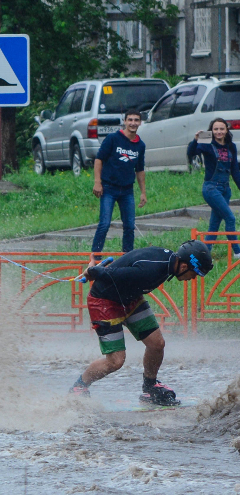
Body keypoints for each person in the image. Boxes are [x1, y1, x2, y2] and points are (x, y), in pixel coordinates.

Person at [69, 240, 212, 405]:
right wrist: (94, 271)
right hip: (105, 302)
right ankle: (79, 387)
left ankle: (150, 388)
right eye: (194, 273)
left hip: (129, 298)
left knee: (157, 344)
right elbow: (112, 274)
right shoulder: (152, 269)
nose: (193, 278)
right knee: (115, 361)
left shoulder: (169, 263)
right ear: (184, 266)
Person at [91, 109, 147, 257]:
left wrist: (143, 192)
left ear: (140, 123)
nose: (133, 123)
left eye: (136, 120)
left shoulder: (140, 145)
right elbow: (99, 160)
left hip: (127, 190)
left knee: (129, 226)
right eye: (130, 120)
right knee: (104, 224)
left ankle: (127, 257)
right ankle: (95, 258)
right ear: (125, 121)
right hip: (109, 188)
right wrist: (97, 182)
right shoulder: (113, 138)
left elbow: (140, 170)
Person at [187, 118, 240, 257]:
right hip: (211, 188)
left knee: (214, 225)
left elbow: (235, 170)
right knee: (230, 218)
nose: (219, 132)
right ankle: (237, 252)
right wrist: (195, 140)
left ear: (226, 130)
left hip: (225, 189)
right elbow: (191, 153)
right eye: (215, 129)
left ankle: (204, 253)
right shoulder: (207, 144)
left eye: (222, 129)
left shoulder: (231, 147)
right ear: (211, 130)